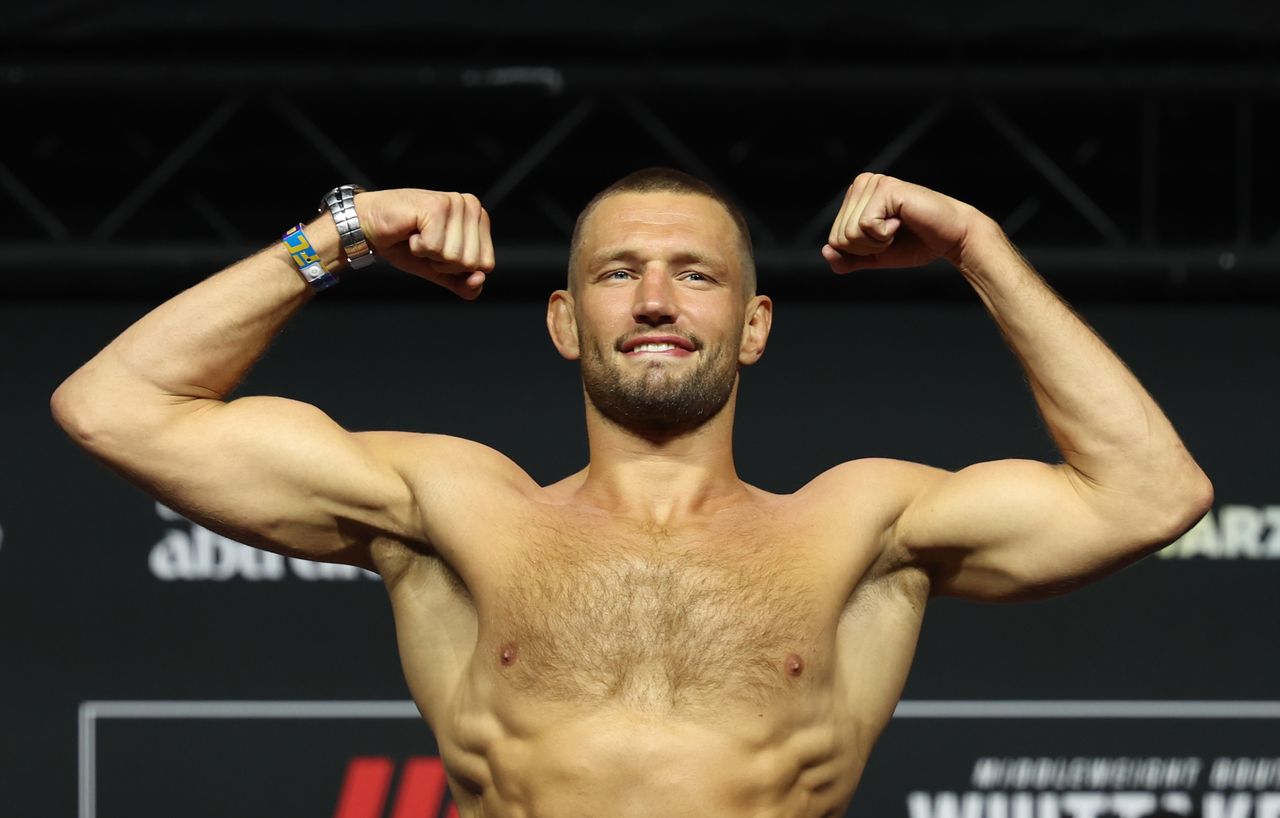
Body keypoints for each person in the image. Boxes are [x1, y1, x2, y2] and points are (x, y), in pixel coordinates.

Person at [51, 168, 1213, 817]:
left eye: (694, 274)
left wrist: (977, 245)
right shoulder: (453, 506)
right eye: (618, 273)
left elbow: (1150, 492)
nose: (655, 300)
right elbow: (116, 405)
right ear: (566, 321)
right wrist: (342, 234)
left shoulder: (863, 523)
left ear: (751, 325)